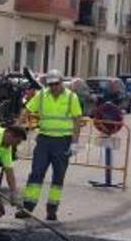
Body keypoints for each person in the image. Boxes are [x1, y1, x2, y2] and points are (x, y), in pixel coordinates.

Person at [19, 69, 83, 222]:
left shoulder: (71, 97)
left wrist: (74, 142)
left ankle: (52, 210)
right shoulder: (42, 95)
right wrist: (19, 123)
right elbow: (27, 109)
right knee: (36, 174)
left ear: (61, 82)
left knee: (58, 177)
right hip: (44, 141)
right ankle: (28, 208)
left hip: (63, 141)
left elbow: (76, 120)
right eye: (51, 84)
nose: (53, 87)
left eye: (56, 83)